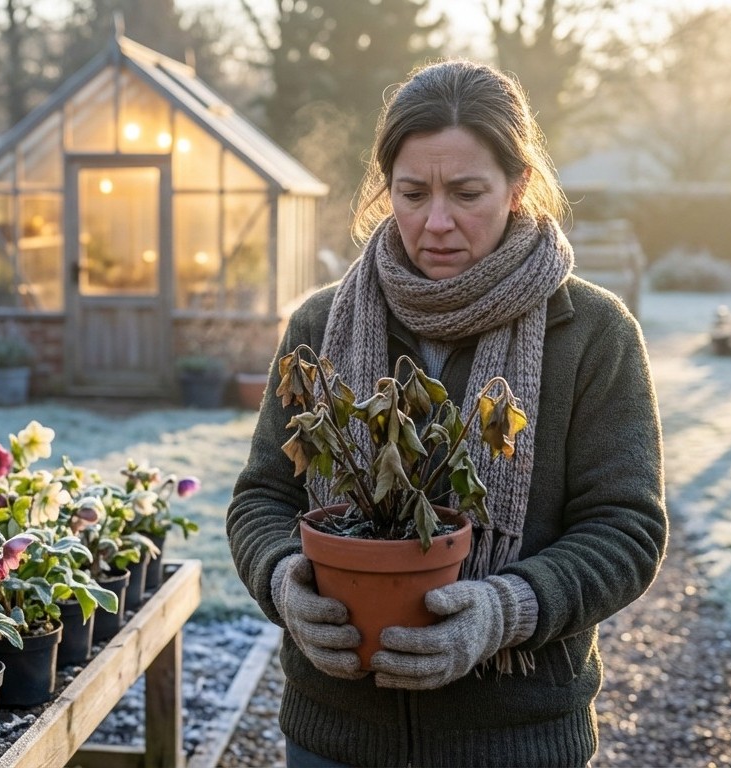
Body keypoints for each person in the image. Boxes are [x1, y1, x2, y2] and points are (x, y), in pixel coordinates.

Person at [226, 59, 666, 767]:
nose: (435, 222)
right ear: (383, 191)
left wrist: (504, 610)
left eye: (466, 192)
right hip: (336, 733)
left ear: (518, 185)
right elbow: (262, 499)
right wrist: (283, 580)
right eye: (410, 192)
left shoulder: (591, 333)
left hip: (515, 739)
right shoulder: (319, 326)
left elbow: (626, 528)